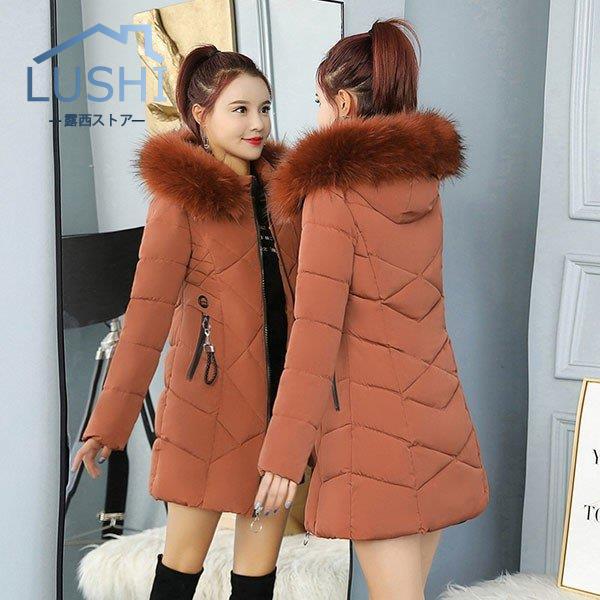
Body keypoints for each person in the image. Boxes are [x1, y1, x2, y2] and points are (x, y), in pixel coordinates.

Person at [254, 18, 490, 600]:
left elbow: (314, 334)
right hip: (437, 413)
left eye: (318, 102)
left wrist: (283, 455)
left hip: (375, 434)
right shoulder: (422, 184)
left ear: (343, 103)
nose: (315, 116)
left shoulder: (332, 195)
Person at [70, 44, 301, 600]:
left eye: (264, 108)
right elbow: (145, 318)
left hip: (280, 410)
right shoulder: (181, 202)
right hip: (207, 411)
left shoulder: (287, 196)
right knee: (180, 572)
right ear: (202, 115)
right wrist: (108, 426)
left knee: (257, 579)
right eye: (240, 109)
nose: (257, 123)